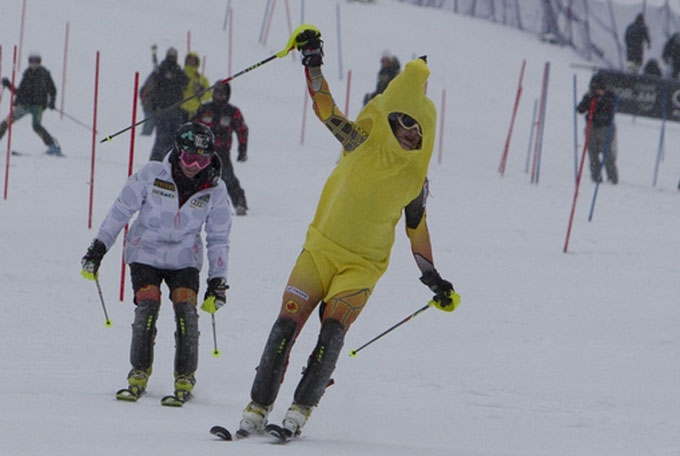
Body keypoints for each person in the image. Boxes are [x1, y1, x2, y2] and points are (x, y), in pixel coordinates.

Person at [235, 27, 459, 441]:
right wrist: (313, 60)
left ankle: (300, 409)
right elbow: (325, 109)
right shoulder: (360, 141)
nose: (408, 130)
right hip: (319, 251)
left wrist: (433, 277)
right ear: (389, 116)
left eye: (416, 127)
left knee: (332, 332)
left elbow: (416, 228)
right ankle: (257, 406)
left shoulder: (415, 180)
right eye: (401, 120)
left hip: (362, 266)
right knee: (287, 323)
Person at [80, 122, 231, 403]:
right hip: (145, 250)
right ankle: (139, 370)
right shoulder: (151, 174)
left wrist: (217, 280)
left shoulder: (216, 189)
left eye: (202, 159)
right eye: (189, 158)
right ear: (177, 151)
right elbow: (120, 211)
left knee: (186, 309)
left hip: (185, 256)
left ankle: (185, 375)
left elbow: (219, 237)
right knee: (148, 305)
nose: (194, 166)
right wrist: (98, 248)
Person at [193, 82, 249, 215]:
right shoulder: (205, 109)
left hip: (222, 153)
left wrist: (242, 149)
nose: (220, 96)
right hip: (202, 152)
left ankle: (240, 203)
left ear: (227, 95)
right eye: (217, 93)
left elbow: (242, 130)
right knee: (196, 177)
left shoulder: (232, 112)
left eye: (223, 94)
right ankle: (192, 203)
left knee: (228, 178)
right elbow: (192, 125)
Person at [0, 53, 61, 156]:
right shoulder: (27, 74)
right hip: (24, 105)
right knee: (6, 122)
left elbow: (52, 90)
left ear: (39, 63)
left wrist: (52, 102)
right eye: (31, 62)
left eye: (36, 62)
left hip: (37, 106)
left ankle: (52, 146)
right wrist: (8, 85)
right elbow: (19, 92)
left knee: (36, 126)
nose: (33, 64)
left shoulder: (44, 74)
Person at [577, 73, 619, 184]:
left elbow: (611, 110)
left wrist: (602, 100)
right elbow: (580, 109)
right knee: (592, 153)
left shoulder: (610, 96)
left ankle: (612, 178)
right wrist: (588, 100)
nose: (597, 91)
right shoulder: (589, 96)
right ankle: (595, 177)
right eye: (595, 88)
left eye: (599, 88)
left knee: (607, 154)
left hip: (605, 128)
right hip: (591, 128)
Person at [148, 47, 189, 161]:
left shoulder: (177, 70)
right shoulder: (161, 69)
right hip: (164, 109)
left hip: (175, 109)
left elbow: (185, 82)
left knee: (175, 137)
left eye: (173, 56)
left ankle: (173, 159)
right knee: (162, 137)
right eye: (170, 56)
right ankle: (157, 160)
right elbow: (156, 85)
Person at [181, 51, 211, 121]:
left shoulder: (202, 79)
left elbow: (209, 95)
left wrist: (201, 93)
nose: (191, 62)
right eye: (190, 60)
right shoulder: (180, 75)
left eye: (193, 60)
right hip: (180, 110)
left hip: (195, 112)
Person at [139, 44, 160, 136]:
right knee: (149, 123)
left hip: (157, 106)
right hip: (150, 106)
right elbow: (143, 92)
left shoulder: (161, 80)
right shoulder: (152, 80)